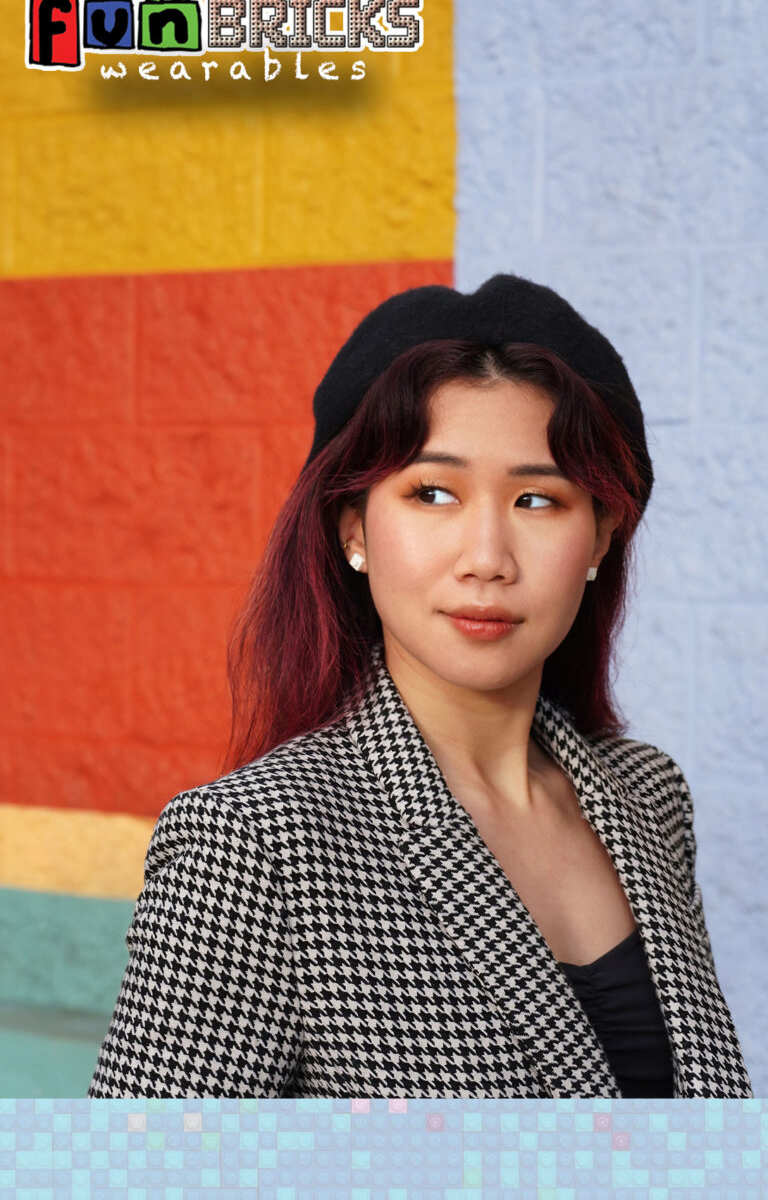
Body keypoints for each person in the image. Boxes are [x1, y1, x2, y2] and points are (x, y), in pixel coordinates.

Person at [88, 272, 753, 1099]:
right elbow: (148, 1164)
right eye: (432, 493)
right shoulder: (252, 847)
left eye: (538, 499)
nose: (487, 558)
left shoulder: (649, 798)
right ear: (355, 530)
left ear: (600, 537)